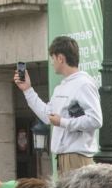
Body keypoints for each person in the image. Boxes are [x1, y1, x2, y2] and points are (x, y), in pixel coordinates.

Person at [13, 36, 103, 177]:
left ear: (60, 58)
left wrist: (62, 122)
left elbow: (95, 120)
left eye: (53, 58)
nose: (52, 63)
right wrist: (27, 90)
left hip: (77, 156)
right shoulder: (61, 87)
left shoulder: (84, 84)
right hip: (63, 157)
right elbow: (47, 116)